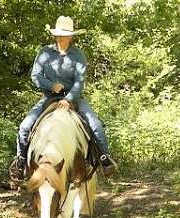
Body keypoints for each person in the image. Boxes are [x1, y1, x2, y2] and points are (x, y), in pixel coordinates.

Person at [10, 16, 117, 180]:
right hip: (49, 97)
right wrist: (51, 85)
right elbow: (35, 75)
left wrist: (68, 99)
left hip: (74, 99)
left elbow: (80, 81)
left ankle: (104, 159)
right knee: (25, 127)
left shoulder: (78, 55)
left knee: (95, 125)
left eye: (64, 34)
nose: (60, 37)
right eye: (58, 34)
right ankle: (20, 161)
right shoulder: (45, 53)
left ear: (71, 36)